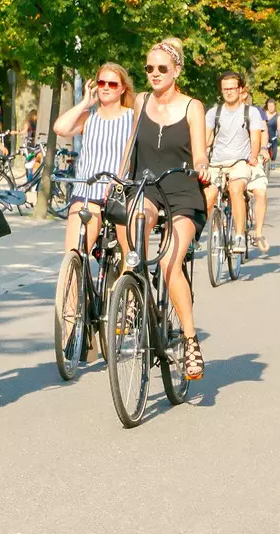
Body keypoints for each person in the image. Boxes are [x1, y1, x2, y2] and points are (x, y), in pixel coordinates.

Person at [132, 39, 208, 380]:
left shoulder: (193, 107)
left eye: (162, 68)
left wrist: (203, 167)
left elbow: (200, 153)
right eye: (149, 68)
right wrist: (116, 179)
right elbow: (130, 147)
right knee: (135, 220)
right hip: (147, 186)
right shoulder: (140, 101)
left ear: (176, 71)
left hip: (182, 189)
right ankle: (132, 292)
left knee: (168, 263)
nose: (154, 73)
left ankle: (191, 340)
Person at [54, 62, 136, 253]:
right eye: (101, 83)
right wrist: (84, 103)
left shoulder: (133, 117)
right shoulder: (88, 117)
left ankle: (126, 272)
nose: (106, 87)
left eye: (112, 84)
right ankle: (75, 272)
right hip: (87, 191)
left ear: (123, 88)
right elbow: (60, 128)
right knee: (74, 253)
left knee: (129, 253)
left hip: (121, 192)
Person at [206, 70, 269, 254]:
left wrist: (254, 155)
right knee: (208, 195)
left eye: (232, 88)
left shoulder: (251, 112)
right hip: (216, 163)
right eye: (225, 89)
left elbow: (255, 139)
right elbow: (206, 139)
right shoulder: (214, 113)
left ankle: (240, 235)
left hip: (240, 162)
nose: (229, 92)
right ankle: (215, 231)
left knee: (236, 189)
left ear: (240, 89)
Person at [263, 97, 280, 163]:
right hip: (264, 137)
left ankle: (273, 162)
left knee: (274, 150)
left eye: (272, 106)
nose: (270, 108)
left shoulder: (277, 116)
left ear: (275, 106)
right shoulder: (263, 115)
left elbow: (279, 127)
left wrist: (279, 133)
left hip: (273, 137)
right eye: (269, 106)